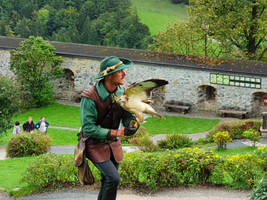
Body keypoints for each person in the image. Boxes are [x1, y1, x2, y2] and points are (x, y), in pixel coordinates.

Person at [80, 56, 139, 200]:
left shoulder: (123, 91)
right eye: (120, 72)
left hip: (113, 144)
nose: (124, 74)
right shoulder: (90, 97)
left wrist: (132, 123)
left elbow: (126, 114)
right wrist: (116, 132)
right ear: (109, 75)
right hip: (94, 143)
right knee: (113, 178)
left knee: (109, 181)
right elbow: (88, 128)